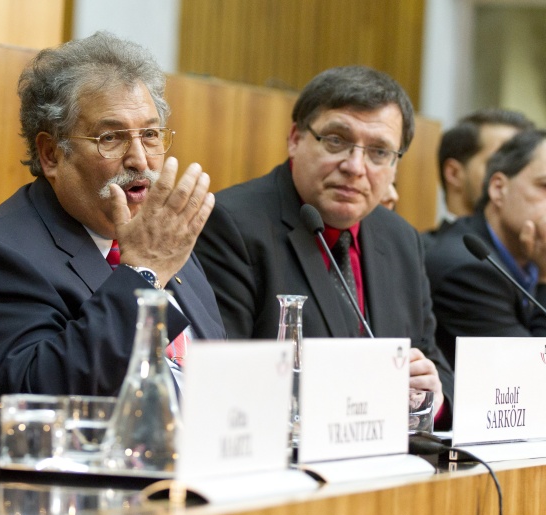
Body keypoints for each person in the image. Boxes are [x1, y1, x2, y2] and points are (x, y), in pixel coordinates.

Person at [0, 31, 225, 461]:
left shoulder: (163, 240)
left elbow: (214, 376)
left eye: (151, 135)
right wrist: (142, 276)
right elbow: (47, 403)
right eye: (111, 138)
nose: (140, 159)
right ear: (51, 154)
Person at [194, 65, 453, 428]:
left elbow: (430, 360)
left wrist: (430, 398)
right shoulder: (232, 224)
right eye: (336, 140)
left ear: (395, 165)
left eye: (379, 152)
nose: (355, 166)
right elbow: (223, 374)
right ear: (296, 137)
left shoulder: (401, 239)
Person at [425, 130, 546, 368]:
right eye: (544, 185)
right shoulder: (467, 270)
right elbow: (532, 376)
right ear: (498, 189)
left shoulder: (532, 256)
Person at [423, 109, 533, 246]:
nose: (517, 180)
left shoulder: (529, 254)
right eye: (501, 163)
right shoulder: (421, 254)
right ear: (454, 173)